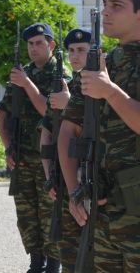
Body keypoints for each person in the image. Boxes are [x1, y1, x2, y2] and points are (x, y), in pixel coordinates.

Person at [59, 0, 140, 272]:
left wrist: (110, 91)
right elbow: (68, 130)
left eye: (117, 5)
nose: (106, 11)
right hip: (104, 209)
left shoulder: (104, 73)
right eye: (106, 4)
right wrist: (73, 191)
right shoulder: (103, 64)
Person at [0, 21, 68, 273]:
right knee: (27, 215)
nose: (34, 48)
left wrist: (27, 84)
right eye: (30, 44)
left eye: (39, 43)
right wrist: (8, 149)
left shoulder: (60, 75)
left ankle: (54, 264)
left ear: (51, 44)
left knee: (51, 213)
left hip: (50, 159)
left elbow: (48, 112)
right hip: (23, 159)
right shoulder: (21, 74)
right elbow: (2, 115)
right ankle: (35, 262)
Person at [38, 28, 90, 272]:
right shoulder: (63, 88)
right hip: (64, 180)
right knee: (69, 256)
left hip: (92, 180)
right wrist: (49, 176)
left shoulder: (101, 86)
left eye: (81, 50)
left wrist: (69, 103)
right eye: (71, 50)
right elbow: (47, 135)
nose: (75, 55)